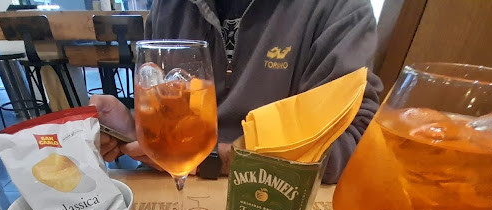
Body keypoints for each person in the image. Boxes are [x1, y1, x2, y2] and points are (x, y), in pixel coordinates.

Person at [90, 0, 382, 183]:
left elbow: (354, 143)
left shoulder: (338, 9)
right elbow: (169, 108)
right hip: (175, 187)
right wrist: (134, 129)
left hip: (278, 197)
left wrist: (218, 160)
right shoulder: (169, 7)